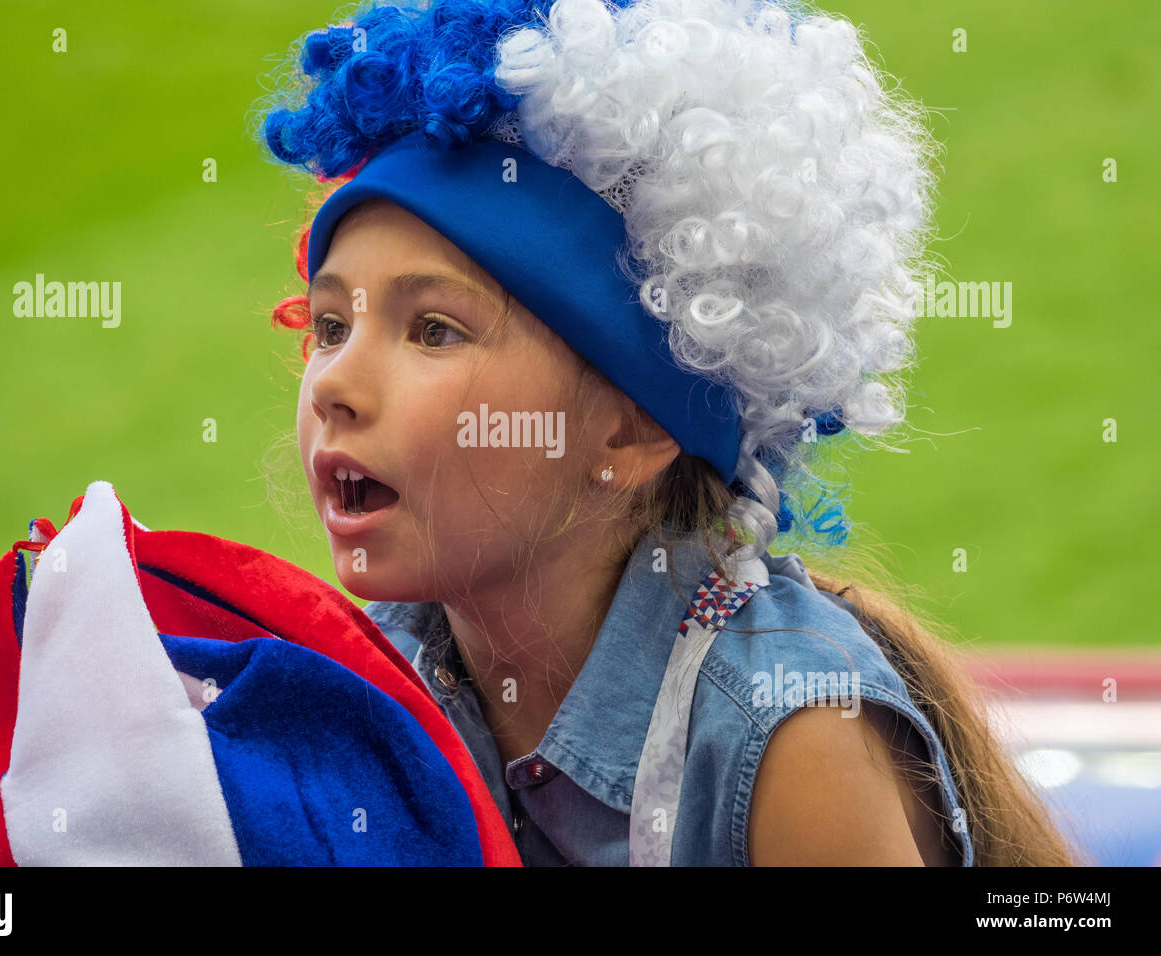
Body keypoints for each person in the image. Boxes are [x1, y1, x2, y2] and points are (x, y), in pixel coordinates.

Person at [254, 0, 1083, 865]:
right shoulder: (357, 681)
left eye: (433, 330)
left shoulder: (794, 740)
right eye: (331, 326)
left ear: (630, 432)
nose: (335, 386)